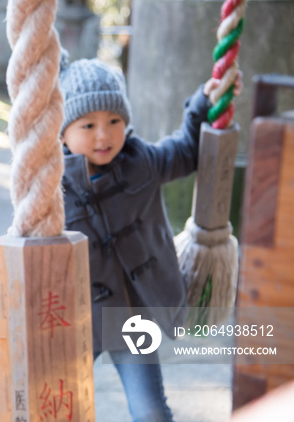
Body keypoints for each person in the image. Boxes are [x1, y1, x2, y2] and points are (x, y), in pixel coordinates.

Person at [58, 50, 241, 422]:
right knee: (62, 406)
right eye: (87, 125)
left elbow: (187, 150)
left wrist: (205, 102)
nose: (104, 135)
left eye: (114, 120)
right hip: (77, 317)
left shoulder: (141, 162)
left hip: (131, 318)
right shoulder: (50, 187)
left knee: (152, 411)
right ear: (62, 132)